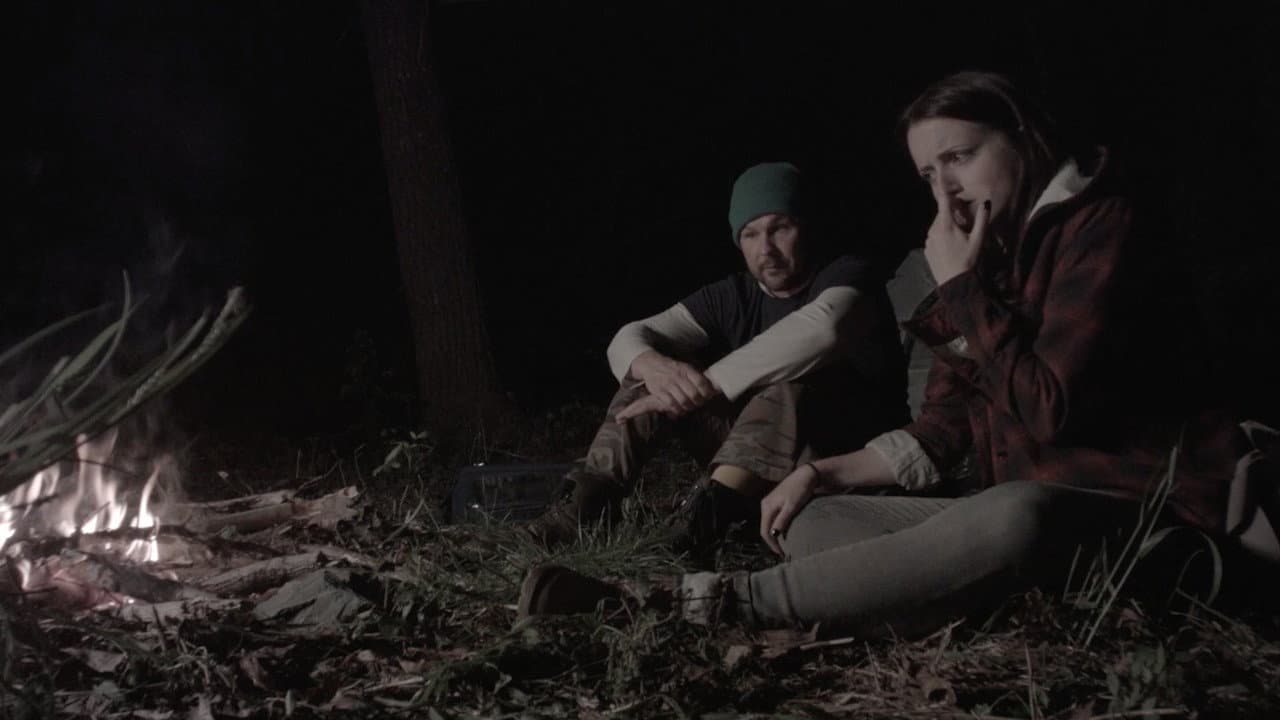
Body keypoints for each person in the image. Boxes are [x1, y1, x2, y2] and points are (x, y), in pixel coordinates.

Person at [516, 71, 1271, 636]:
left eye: (961, 157)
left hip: (1141, 510)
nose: (946, 192)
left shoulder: (1104, 227)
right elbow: (941, 431)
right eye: (928, 175)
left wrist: (961, 287)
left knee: (1015, 517)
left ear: (1022, 135)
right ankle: (956, 583)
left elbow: (1051, 409)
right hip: (1014, 503)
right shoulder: (990, 261)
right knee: (812, 522)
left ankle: (694, 605)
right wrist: (820, 473)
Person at [525, 161, 910, 557]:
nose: (766, 249)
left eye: (780, 228)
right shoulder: (734, 295)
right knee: (650, 374)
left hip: (845, 464)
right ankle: (584, 509)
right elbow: (629, 338)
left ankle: (702, 525)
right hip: (761, 462)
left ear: (806, 227)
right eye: (751, 234)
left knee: (788, 386)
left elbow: (823, 331)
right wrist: (656, 368)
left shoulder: (849, 274)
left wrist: (706, 382)